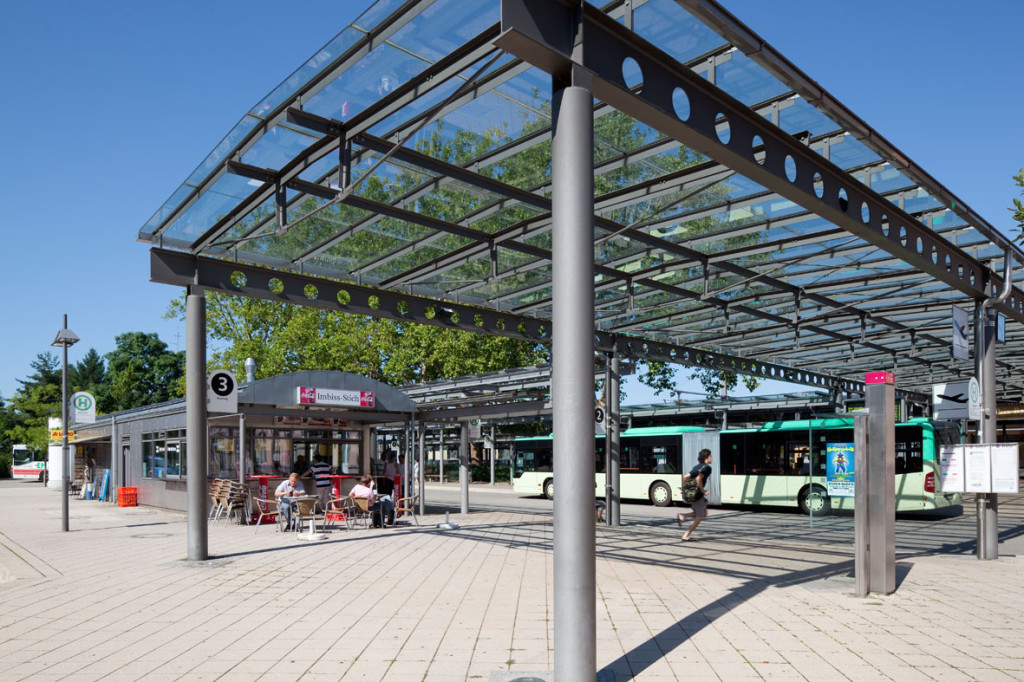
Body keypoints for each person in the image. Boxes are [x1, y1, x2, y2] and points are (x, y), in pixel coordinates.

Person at [677, 449, 713, 542]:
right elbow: (698, 478)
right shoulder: (707, 468)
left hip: (691, 494)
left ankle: (683, 515)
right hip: (697, 494)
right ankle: (686, 535)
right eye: (711, 456)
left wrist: (685, 489)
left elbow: (685, 476)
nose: (712, 458)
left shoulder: (697, 467)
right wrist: (703, 491)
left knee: (703, 513)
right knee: (700, 516)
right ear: (707, 457)